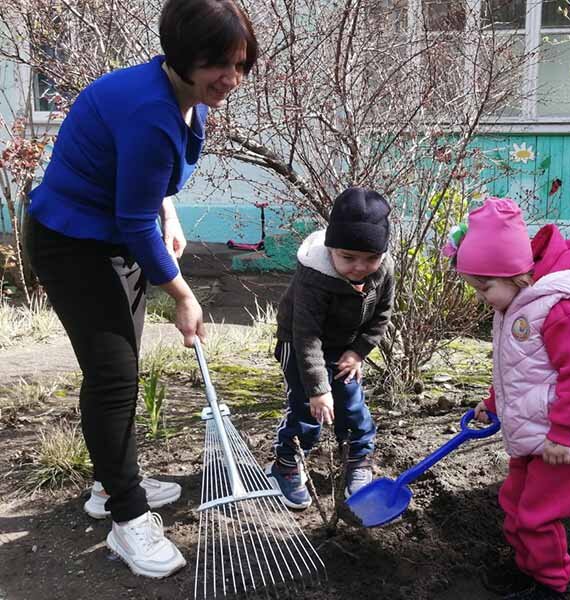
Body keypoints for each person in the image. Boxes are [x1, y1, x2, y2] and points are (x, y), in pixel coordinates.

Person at [25, 0, 257, 578]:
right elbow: (133, 219)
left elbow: (147, 181)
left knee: (117, 374)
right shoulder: (150, 110)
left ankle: (112, 481)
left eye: (241, 64)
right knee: (114, 379)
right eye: (218, 65)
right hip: (74, 244)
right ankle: (126, 520)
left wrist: (169, 215)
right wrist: (183, 295)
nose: (231, 79)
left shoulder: (178, 94)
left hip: (110, 238)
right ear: (181, 57)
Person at [445, 197, 570, 600]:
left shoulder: (560, 309)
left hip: (564, 441)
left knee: (538, 516)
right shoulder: (518, 304)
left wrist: (562, 433)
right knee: (514, 504)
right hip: (536, 432)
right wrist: (492, 402)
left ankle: (550, 585)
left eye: (484, 286)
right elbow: (519, 368)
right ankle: (526, 570)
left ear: (513, 272)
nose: (481, 297)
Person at [267, 187, 394, 509]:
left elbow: (382, 314)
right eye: (348, 258)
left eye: (371, 259)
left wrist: (358, 352)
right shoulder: (314, 276)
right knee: (309, 409)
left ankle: (357, 460)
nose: (359, 267)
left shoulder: (383, 269)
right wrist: (318, 389)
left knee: (351, 406)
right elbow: (306, 335)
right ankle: (286, 464)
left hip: (344, 346)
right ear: (331, 248)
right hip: (299, 345)